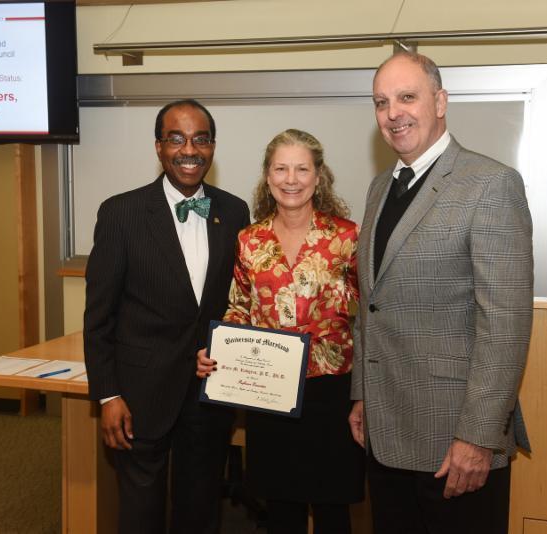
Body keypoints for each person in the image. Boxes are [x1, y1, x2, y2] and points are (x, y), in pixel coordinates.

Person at [348, 51, 533, 534]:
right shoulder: (378, 189)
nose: (394, 113)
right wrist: (361, 395)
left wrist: (479, 437)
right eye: (381, 102)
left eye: (407, 97)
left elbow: (505, 326)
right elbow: (371, 303)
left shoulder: (490, 184)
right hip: (386, 435)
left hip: (455, 444)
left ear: (441, 100)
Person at [84, 99, 250, 534]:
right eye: (176, 138)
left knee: (200, 510)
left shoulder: (235, 212)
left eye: (200, 139)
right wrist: (107, 395)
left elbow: (238, 302)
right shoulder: (121, 213)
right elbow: (99, 317)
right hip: (140, 393)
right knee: (141, 512)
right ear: (158, 147)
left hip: (208, 390)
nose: (188, 149)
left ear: (213, 147)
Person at [199, 129, 365, 534]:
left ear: (318, 176)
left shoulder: (346, 237)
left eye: (302, 169)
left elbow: (371, 312)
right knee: (281, 508)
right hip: (269, 391)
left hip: (332, 391)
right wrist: (217, 353)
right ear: (267, 176)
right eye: (281, 168)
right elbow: (238, 307)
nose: (291, 179)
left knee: (332, 509)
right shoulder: (249, 241)